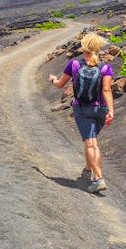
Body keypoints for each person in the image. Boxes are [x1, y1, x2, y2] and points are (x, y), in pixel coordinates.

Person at [48, 32, 115, 193]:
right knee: (92, 141)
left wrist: (52, 79)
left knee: (91, 143)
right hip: (100, 110)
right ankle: (87, 169)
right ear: (98, 47)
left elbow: (60, 84)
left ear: (83, 46)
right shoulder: (105, 67)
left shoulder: (74, 64)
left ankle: (98, 179)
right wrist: (111, 111)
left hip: (82, 109)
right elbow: (106, 90)